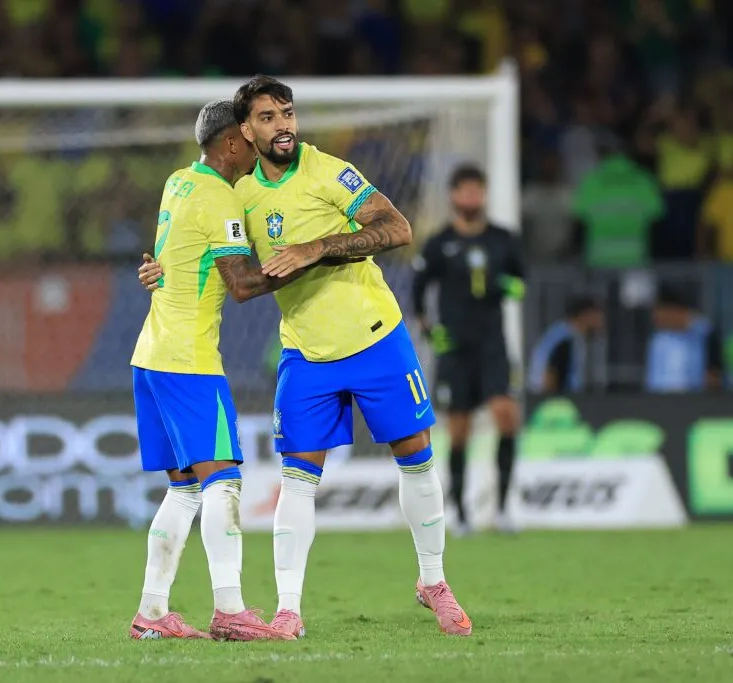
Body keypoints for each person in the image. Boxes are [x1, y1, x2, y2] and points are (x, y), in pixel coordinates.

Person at [142, 75, 472, 639]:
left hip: (375, 335)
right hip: (305, 351)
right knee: (297, 478)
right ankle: (289, 609)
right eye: (268, 117)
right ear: (244, 130)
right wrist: (165, 269)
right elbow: (216, 255)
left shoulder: (330, 171)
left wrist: (318, 247)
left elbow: (397, 227)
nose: (284, 125)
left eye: (288, 113)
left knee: (415, 455)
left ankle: (433, 582)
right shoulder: (235, 189)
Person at [129, 100, 295, 642]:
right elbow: (242, 285)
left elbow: (162, 259)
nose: (256, 145)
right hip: (189, 361)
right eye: (250, 137)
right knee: (223, 482)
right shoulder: (219, 196)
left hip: (150, 355)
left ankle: (151, 614)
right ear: (230, 143)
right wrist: (304, 260)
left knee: (183, 490)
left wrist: (154, 270)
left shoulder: (178, 182)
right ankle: (231, 611)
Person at [411, 164, 524, 537]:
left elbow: (520, 278)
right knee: (459, 430)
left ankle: (505, 509)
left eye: (479, 190)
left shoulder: (503, 239)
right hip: (456, 347)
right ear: (454, 196)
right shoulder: (439, 242)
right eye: (466, 191)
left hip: (492, 342)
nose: (473, 197)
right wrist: (430, 332)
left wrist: (512, 287)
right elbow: (417, 293)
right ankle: (460, 514)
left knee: (506, 415)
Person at [645, 285, 723, 393]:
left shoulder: (706, 335)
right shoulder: (659, 340)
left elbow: (714, 378)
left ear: (674, 311)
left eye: (659, 312)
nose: (654, 318)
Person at [527, 296, 605, 394]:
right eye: (597, 316)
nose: (600, 322)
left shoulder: (568, 334)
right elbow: (550, 373)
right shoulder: (566, 338)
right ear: (586, 315)